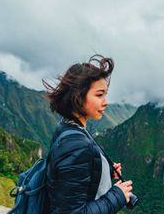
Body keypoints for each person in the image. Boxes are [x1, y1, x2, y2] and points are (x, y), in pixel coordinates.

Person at [42, 55, 133, 213]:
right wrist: (117, 196)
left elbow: (73, 176)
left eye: (105, 94)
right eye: (99, 95)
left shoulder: (67, 127)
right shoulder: (76, 146)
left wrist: (103, 171)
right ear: (78, 97)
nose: (105, 102)